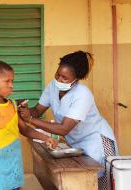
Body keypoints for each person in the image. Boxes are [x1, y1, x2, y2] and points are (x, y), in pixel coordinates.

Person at [19, 51, 118, 190]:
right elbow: (37, 111)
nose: (59, 80)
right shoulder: (52, 87)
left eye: (64, 78)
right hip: (76, 144)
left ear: (75, 79)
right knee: (81, 183)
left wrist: (29, 118)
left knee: (102, 183)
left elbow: (64, 128)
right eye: (57, 74)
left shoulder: (82, 94)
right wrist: (27, 111)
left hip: (97, 142)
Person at [0, 60, 58, 190]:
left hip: (15, 178)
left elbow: (25, 130)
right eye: (7, 81)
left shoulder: (13, 105)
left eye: (12, 81)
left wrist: (46, 138)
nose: (11, 85)